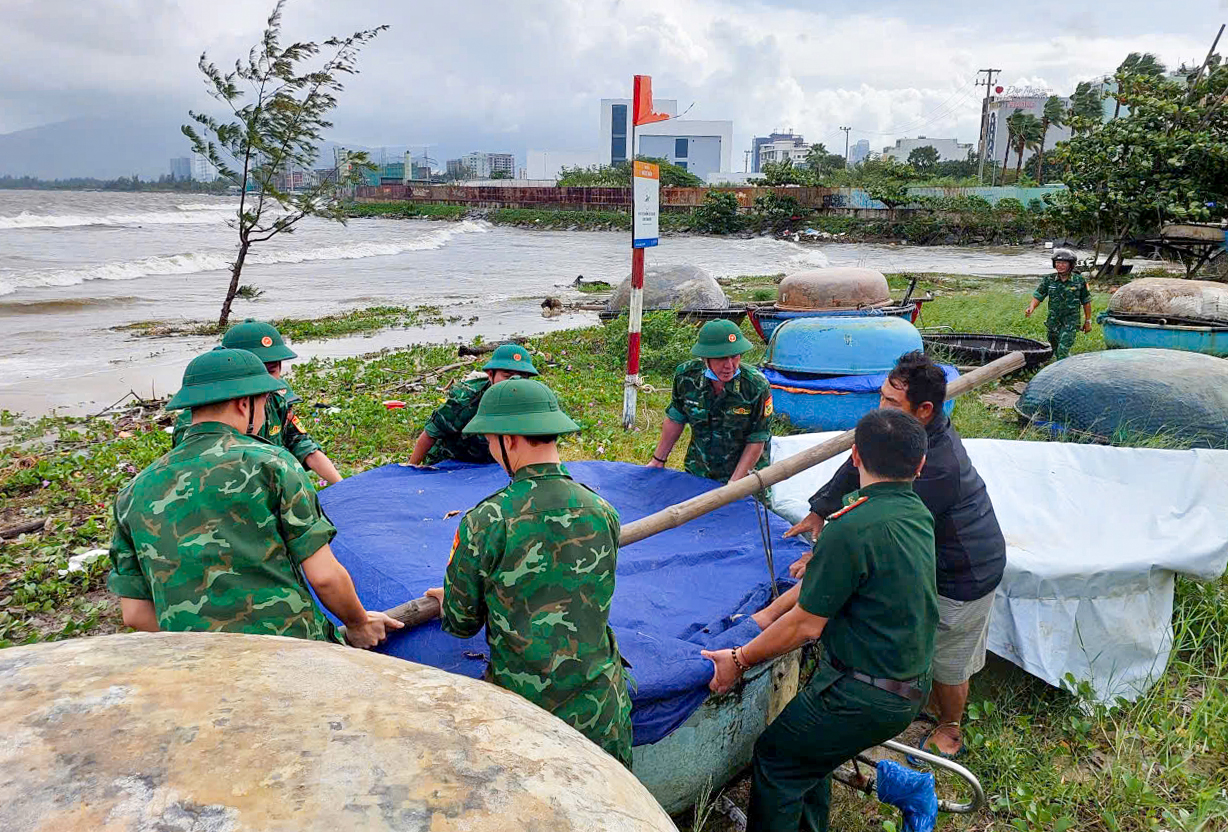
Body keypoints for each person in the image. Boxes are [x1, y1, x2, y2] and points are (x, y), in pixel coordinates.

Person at [759, 351, 1006, 760]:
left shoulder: (937, 468)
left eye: (891, 404)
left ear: (924, 411)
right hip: (930, 554)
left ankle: (949, 728)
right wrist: (821, 508)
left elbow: (879, 525)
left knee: (948, 658)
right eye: (882, 396)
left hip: (965, 570)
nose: (880, 408)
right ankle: (914, 698)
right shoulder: (898, 439)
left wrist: (827, 556)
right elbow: (861, 460)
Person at [702, 409, 938, 832]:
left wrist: (738, 659)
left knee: (778, 758)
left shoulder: (850, 527)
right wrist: (768, 613)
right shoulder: (917, 514)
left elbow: (806, 625)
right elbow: (826, 586)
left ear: (854, 457)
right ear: (919, 466)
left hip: (862, 694)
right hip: (912, 681)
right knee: (811, 756)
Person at [108, 347, 399, 648]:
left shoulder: (133, 491)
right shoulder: (272, 464)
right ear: (244, 403)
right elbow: (324, 577)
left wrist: (208, 642)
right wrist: (359, 623)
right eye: (264, 402)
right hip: (294, 648)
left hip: (196, 660)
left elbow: (134, 614)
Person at [424, 378, 633, 766]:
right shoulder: (602, 510)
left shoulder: (487, 520)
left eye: (489, 440)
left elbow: (460, 623)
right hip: (602, 710)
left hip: (528, 714)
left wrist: (446, 597)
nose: (489, 449)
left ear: (511, 439)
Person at [172, 319, 343, 485]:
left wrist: (343, 486)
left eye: (271, 371)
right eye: (257, 371)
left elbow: (303, 445)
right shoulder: (198, 420)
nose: (265, 382)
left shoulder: (276, 403)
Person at [647, 319, 773, 484]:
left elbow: (757, 440)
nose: (729, 365)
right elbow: (675, 418)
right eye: (721, 358)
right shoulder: (687, 376)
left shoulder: (755, 386)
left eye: (734, 357)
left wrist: (734, 485)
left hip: (746, 480)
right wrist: (658, 460)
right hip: (700, 473)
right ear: (705, 358)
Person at [408, 343, 540, 466]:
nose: (514, 382)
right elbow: (430, 434)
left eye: (522, 377)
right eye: (507, 376)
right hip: (452, 462)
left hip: (496, 463)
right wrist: (411, 469)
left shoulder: (531, 401)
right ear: (490, 375)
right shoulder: (465, 400)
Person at [1025, 248, 1093, 361]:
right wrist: (1031, 308)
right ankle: (1065, 364)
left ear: (1071, 265)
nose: (1060, 265)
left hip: (1070, 322)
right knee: (1055, 348)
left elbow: (1086, 302)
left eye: (1063, 263)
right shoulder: (1049, 279)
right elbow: (1039, 295)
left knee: (1062, 351)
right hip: (1053, 321)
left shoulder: (1079, 280)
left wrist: (1088, 321)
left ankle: (1064, 373)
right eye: (1058, 263)